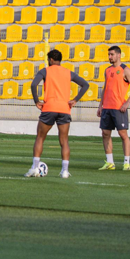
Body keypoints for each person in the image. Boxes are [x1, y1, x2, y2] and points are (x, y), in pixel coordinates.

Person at [26, 49, 89, 179]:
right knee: (64, 141)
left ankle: (34, 168)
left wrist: (36, 101)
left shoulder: (45, 71)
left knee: (40, 137)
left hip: (49, 107)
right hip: (64, 108)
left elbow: (33, 85)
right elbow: (85, 84)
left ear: (51, 60)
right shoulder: (68, 72)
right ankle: (65, 171)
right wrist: (75, 99)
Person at [97, 45, 130, 171]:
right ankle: (110, 162)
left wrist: (127, 103)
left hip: (118, 107)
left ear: (119, 55)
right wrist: (100, 105)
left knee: (123, 134)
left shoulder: (125, 70)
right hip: (107, 107)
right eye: (109, 54)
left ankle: (126, 162)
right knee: (105, 133)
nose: (110, 57)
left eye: (112, 54)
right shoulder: (107, 70)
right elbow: (106, 88)